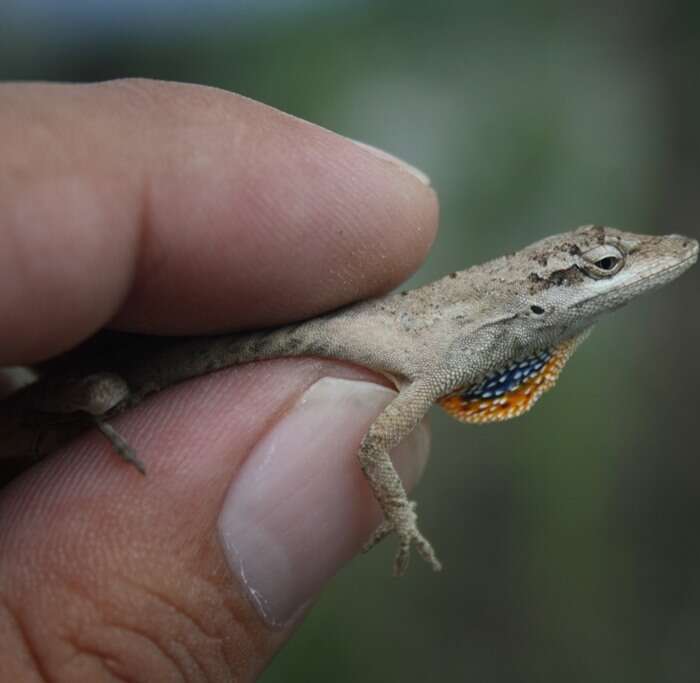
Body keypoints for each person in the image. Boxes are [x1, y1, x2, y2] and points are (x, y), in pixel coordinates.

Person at [0, 79, 437, 680]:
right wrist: (401, 514)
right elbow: (374, 440)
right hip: (98, 395)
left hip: (129, 392)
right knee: (103, 394)